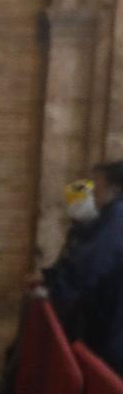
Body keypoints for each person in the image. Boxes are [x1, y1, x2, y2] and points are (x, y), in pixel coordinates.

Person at [44, 161, 123, 376]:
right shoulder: (110, 218)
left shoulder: (116, 218)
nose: (93, 193)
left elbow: (89, 267)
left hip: (110, 329)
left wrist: (56, 291)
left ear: (114, 189)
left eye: (97, 187)